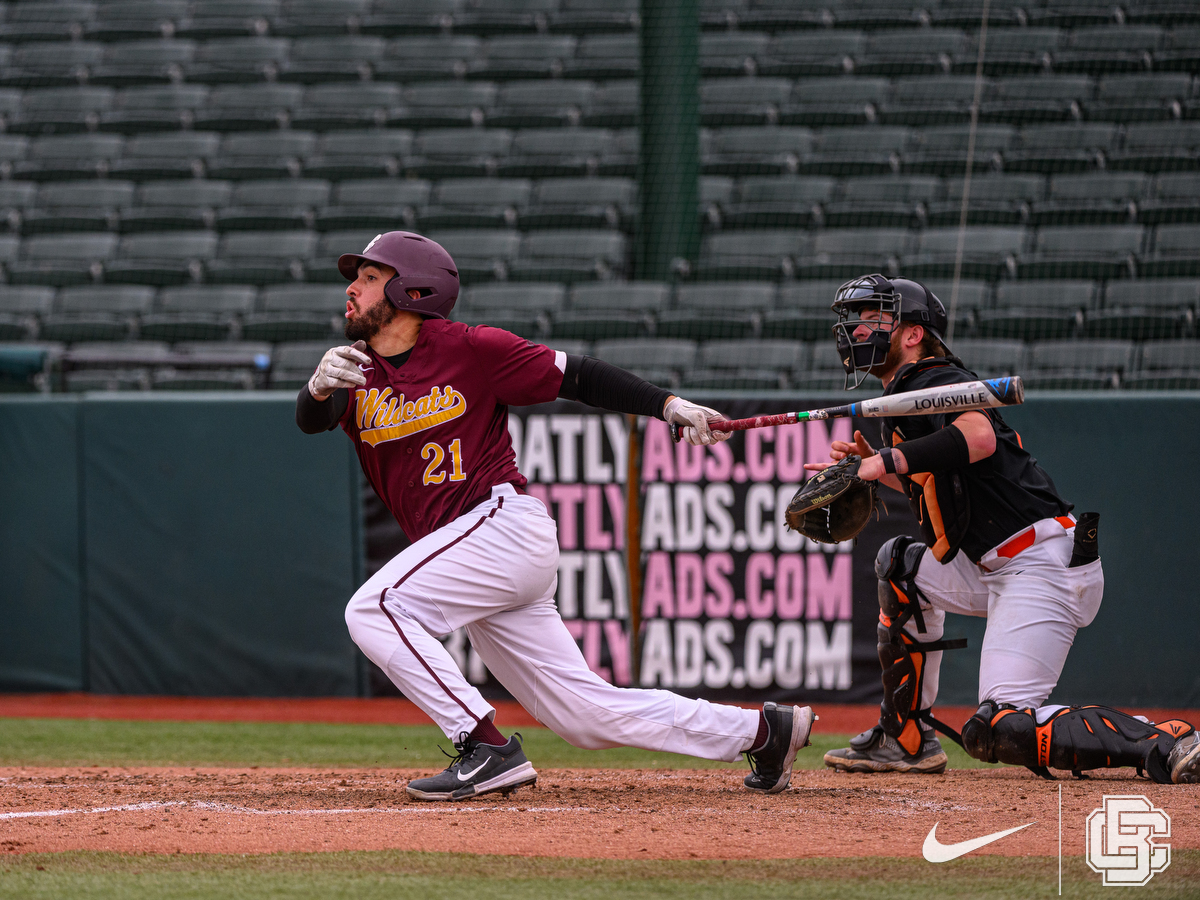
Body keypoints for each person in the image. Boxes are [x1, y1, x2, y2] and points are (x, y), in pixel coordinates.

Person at [296, 230, 815, 801]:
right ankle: (765, 732)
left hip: (500, 526)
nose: (353, 288)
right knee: (583, 715)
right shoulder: (353, 368)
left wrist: (669, 405)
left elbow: (582, 375)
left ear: (411, 289)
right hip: (472, 553)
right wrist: (317, 389)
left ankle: (484, 746)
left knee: (376, 607)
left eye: (370, 277)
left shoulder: (471, 347)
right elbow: (312, 420)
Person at [807, 273, 1198, 785]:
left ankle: (1167, 739)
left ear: (912, 334)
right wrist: (882, 469)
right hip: (996, 566)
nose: (858, 330)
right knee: (900, 565)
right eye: (855, 320)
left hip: (1040, 565)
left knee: (999, 728)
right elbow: (942, 485)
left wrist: (887, 461)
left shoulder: (935, 379)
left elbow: (979, 436)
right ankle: (903, 740)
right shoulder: (902, 398)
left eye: (874, 318)